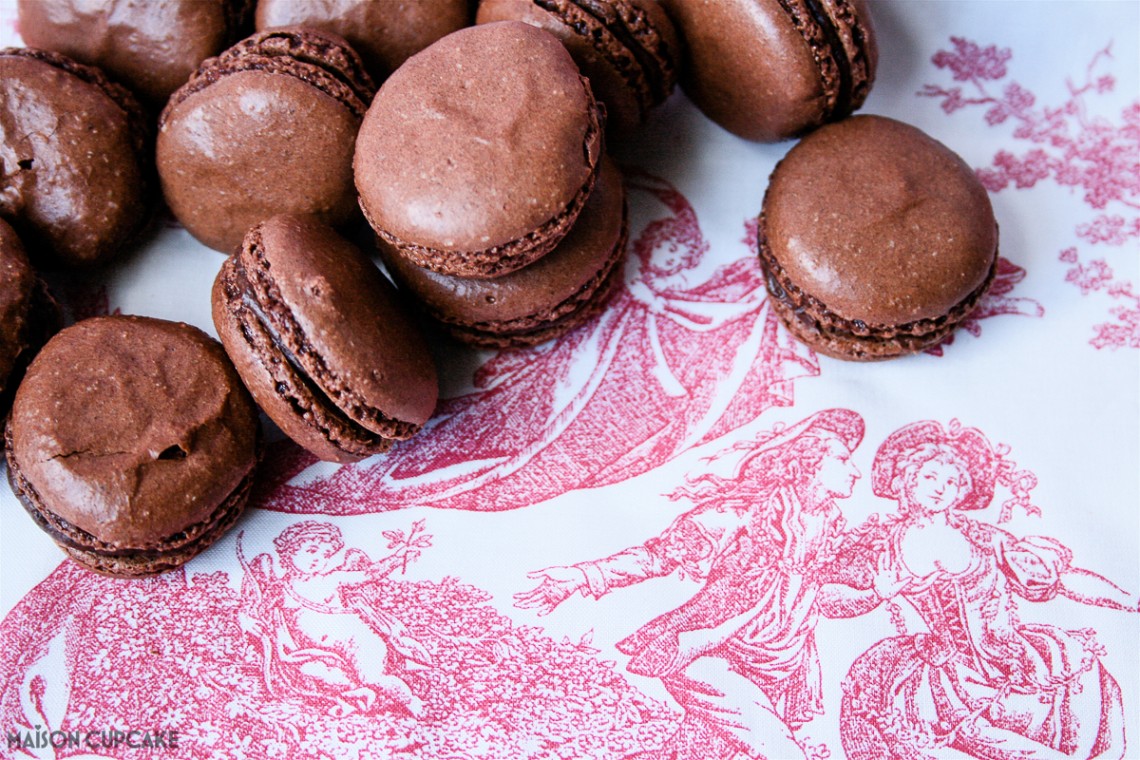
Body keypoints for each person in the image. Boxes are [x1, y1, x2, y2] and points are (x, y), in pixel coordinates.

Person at [516, 408, 867, 759]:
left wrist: (880, 587)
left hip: (776, 667)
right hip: (707, 652)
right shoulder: (743, 513)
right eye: (841, 459)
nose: (855, 471)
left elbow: (815, 595)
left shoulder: (829, 527)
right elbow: (658, 556)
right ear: (805, 463)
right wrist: (582, 576)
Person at [839, 420, 1137, 760]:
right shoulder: (882, 543)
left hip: (1019, 658)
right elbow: (828, 598)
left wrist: (1130, 601)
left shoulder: (983, 537)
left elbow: (1061, 580)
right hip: (950, 677)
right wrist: (876, 593)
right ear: (907, 479)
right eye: (930, 477)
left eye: (951, 482)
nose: (940, 488)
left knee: (1096, 696)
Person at [239, 521, 432, 718]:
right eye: (311, 550)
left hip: (356, 640)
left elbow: (369, 574)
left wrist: (396, 559)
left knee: (374, 676)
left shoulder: (332, 578)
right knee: (322, 675)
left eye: (325, 554)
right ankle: (363, 694)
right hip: (314, 652)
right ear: (289, 551)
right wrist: (246, 619)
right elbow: (256, 610)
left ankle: (411, 702)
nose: (318, 559)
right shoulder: (280, 589)